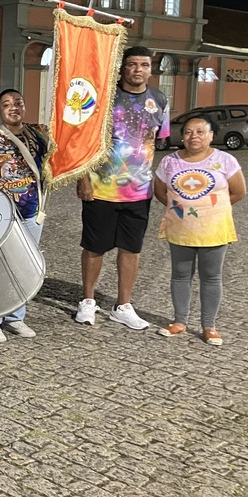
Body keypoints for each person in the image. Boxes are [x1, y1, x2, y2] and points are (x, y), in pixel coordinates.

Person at [75, 45, 170, 328]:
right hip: (101, 188)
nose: (138, 70)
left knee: (131, 248)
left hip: (139, 191)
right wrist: (82, 177)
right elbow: (81, 138)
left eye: (144, 65)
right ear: (123, 67)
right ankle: (88, 300)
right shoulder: (104, 97)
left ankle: (123, 304)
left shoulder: (159, 99)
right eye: (132, 65)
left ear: (151, 69)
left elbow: (158, 141)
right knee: (95, 246)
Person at [153, 115, 244, 346]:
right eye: (188, 132)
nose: (193, 136)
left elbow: (238, 191)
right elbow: (161, 191)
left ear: (211, 135)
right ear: (182, 136)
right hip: (181, 228)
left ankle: (209, 325)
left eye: (200, 132)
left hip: (214, 228)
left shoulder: (225, 160)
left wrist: (209, 210)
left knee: (211, 277)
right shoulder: (169, 162)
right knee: (180, 275)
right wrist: (182, 209)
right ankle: (179, 321)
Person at [0, 88, 50, 341]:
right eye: (6, 104)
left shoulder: (39, 132)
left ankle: (16, 316)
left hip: (32, 209)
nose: (13, 107)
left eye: (18, 102)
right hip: (0, 210)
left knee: (24, 264)